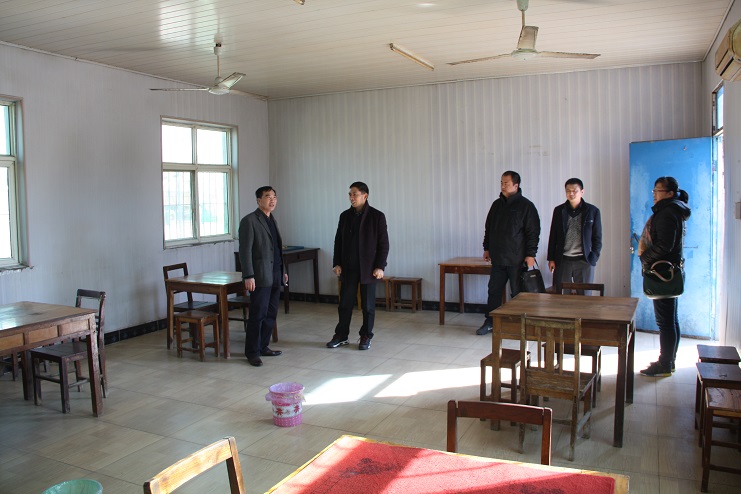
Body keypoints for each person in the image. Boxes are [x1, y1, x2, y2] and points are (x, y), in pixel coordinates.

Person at [638, 176, 691, 377]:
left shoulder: (668, 212)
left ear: (670, 193)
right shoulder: (674, 209)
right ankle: (669, 361)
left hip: (662, 273)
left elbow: (664, 245)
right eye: (653, 191)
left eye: (657, 191)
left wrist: (645, 258)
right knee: (671, 320)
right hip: (669, 272)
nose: (654, 194)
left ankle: (665, 364)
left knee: (665, 322)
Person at [327, 182, 389, 351]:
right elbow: (338, 241)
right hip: (349, 267)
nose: (351, 197)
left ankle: (366, 335)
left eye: (354, 194)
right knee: (345, 304)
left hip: (369, 268)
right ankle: (341, 335)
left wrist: (380, 266)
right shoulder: (345, 216)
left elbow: (384, 244)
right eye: (350, 194)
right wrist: (337, 263)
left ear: (365, 196)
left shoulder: (377, 216)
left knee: (368, 306)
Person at [476, 171, 540, 335]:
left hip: (517, 259)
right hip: (498, 258)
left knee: (518, 293)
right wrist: (486, 248)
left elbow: (533, 232)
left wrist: (531, 254)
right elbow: (489, 228)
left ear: (516, 185)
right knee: (494, 291)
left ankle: (520, 325)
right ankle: (491, 322)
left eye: (506, 183)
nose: (503, 186)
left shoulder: (526, 206)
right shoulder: (496, 205)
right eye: (501, 183)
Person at [239, 186, 287, 367]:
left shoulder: (272, 219)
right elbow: (245, 251)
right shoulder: (249, 221)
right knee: (257, 314)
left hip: (275, 273)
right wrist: (248, 275)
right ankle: (252, 352)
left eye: (274, 196)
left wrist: (283, 272)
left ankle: (263, 346)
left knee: (271, 313)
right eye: (268, 197)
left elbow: (276, 249)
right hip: (259, 275)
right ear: (259, 200)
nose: (272, 200)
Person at [547, 178, 603, 293]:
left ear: (582, 192)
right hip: (563, 260)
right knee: (562, 296)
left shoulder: (593, 211)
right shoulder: (559, 210)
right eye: (568, 191)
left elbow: (597, 238)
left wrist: (593, 258)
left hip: (584, 260)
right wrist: (551, 258)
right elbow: (553, 236)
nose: (571, 193)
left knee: (584, 297)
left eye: (574, 191)